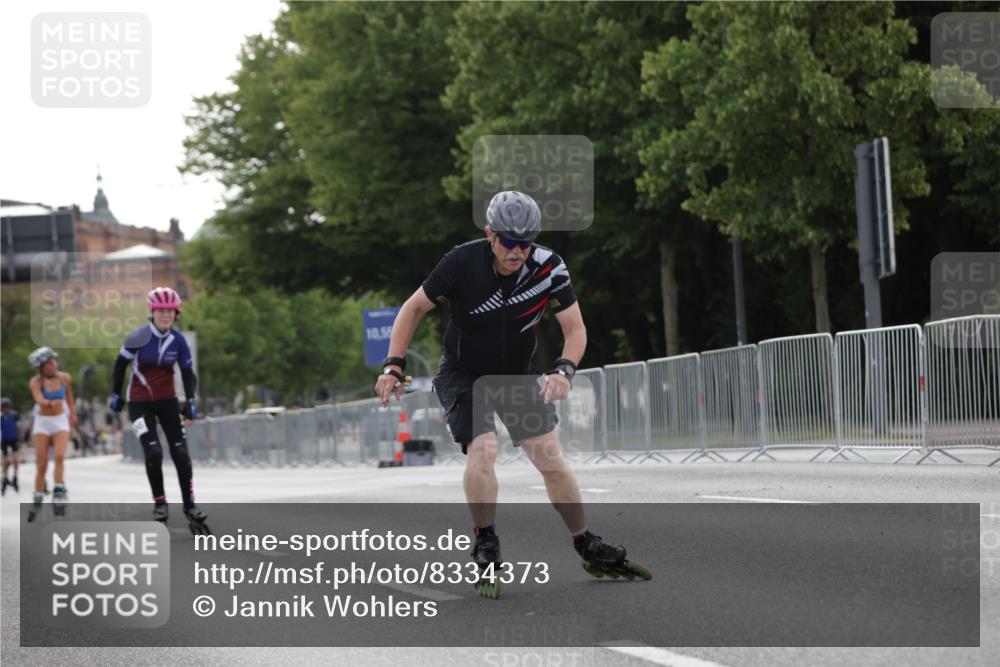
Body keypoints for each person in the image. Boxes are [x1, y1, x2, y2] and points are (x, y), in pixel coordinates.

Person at [374, 190, 646, 597]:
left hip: (516, 373)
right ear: (490, 234)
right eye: (509, 242)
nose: (518, 251)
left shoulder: (549, 266)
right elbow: (412, 309)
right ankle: (486, 538)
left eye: (527, 242)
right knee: (483, 449)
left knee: (550, 458)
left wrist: (565, 370)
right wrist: (394, 365)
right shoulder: (460, 262)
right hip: (464, 373)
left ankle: (584, 540)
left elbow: (575, 329)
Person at [109, 286, 208, 531]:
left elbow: (187, 373)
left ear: (176, 314)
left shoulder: (179, 340)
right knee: (153, 452)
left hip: (167, 401)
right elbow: (120, 365)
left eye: (170, 311)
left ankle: (190, 504)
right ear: (152, 313)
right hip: (139, 402)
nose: (165, 315)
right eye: (160, 311)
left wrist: (191, 401)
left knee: (181, 454)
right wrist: (115, 394)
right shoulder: (137, 337)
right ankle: (160, 502)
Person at [26, 347, 76, 519]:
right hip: (42, 423)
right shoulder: (36, 381)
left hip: (60, 421)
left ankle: (58, 493)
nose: (53, 364)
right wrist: (47, 402)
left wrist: (73, 415)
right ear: (41, 367)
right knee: (42, 464)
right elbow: (37, 398)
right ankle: (38, 497)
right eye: (49, 363)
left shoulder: (64, 378)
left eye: (53, 361)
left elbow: (69, 397)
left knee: (60, 456)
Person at [1, 398, 21, 495]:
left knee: (16, 460)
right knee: (5, 461)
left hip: (14, 439)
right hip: (4, 440)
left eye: (7, 407)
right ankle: (5, 478)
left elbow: (18, 427)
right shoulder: (0, 418)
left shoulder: (14, 415)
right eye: (3, 407)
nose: (5, 409)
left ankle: (15, 477)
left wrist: (21, 437)